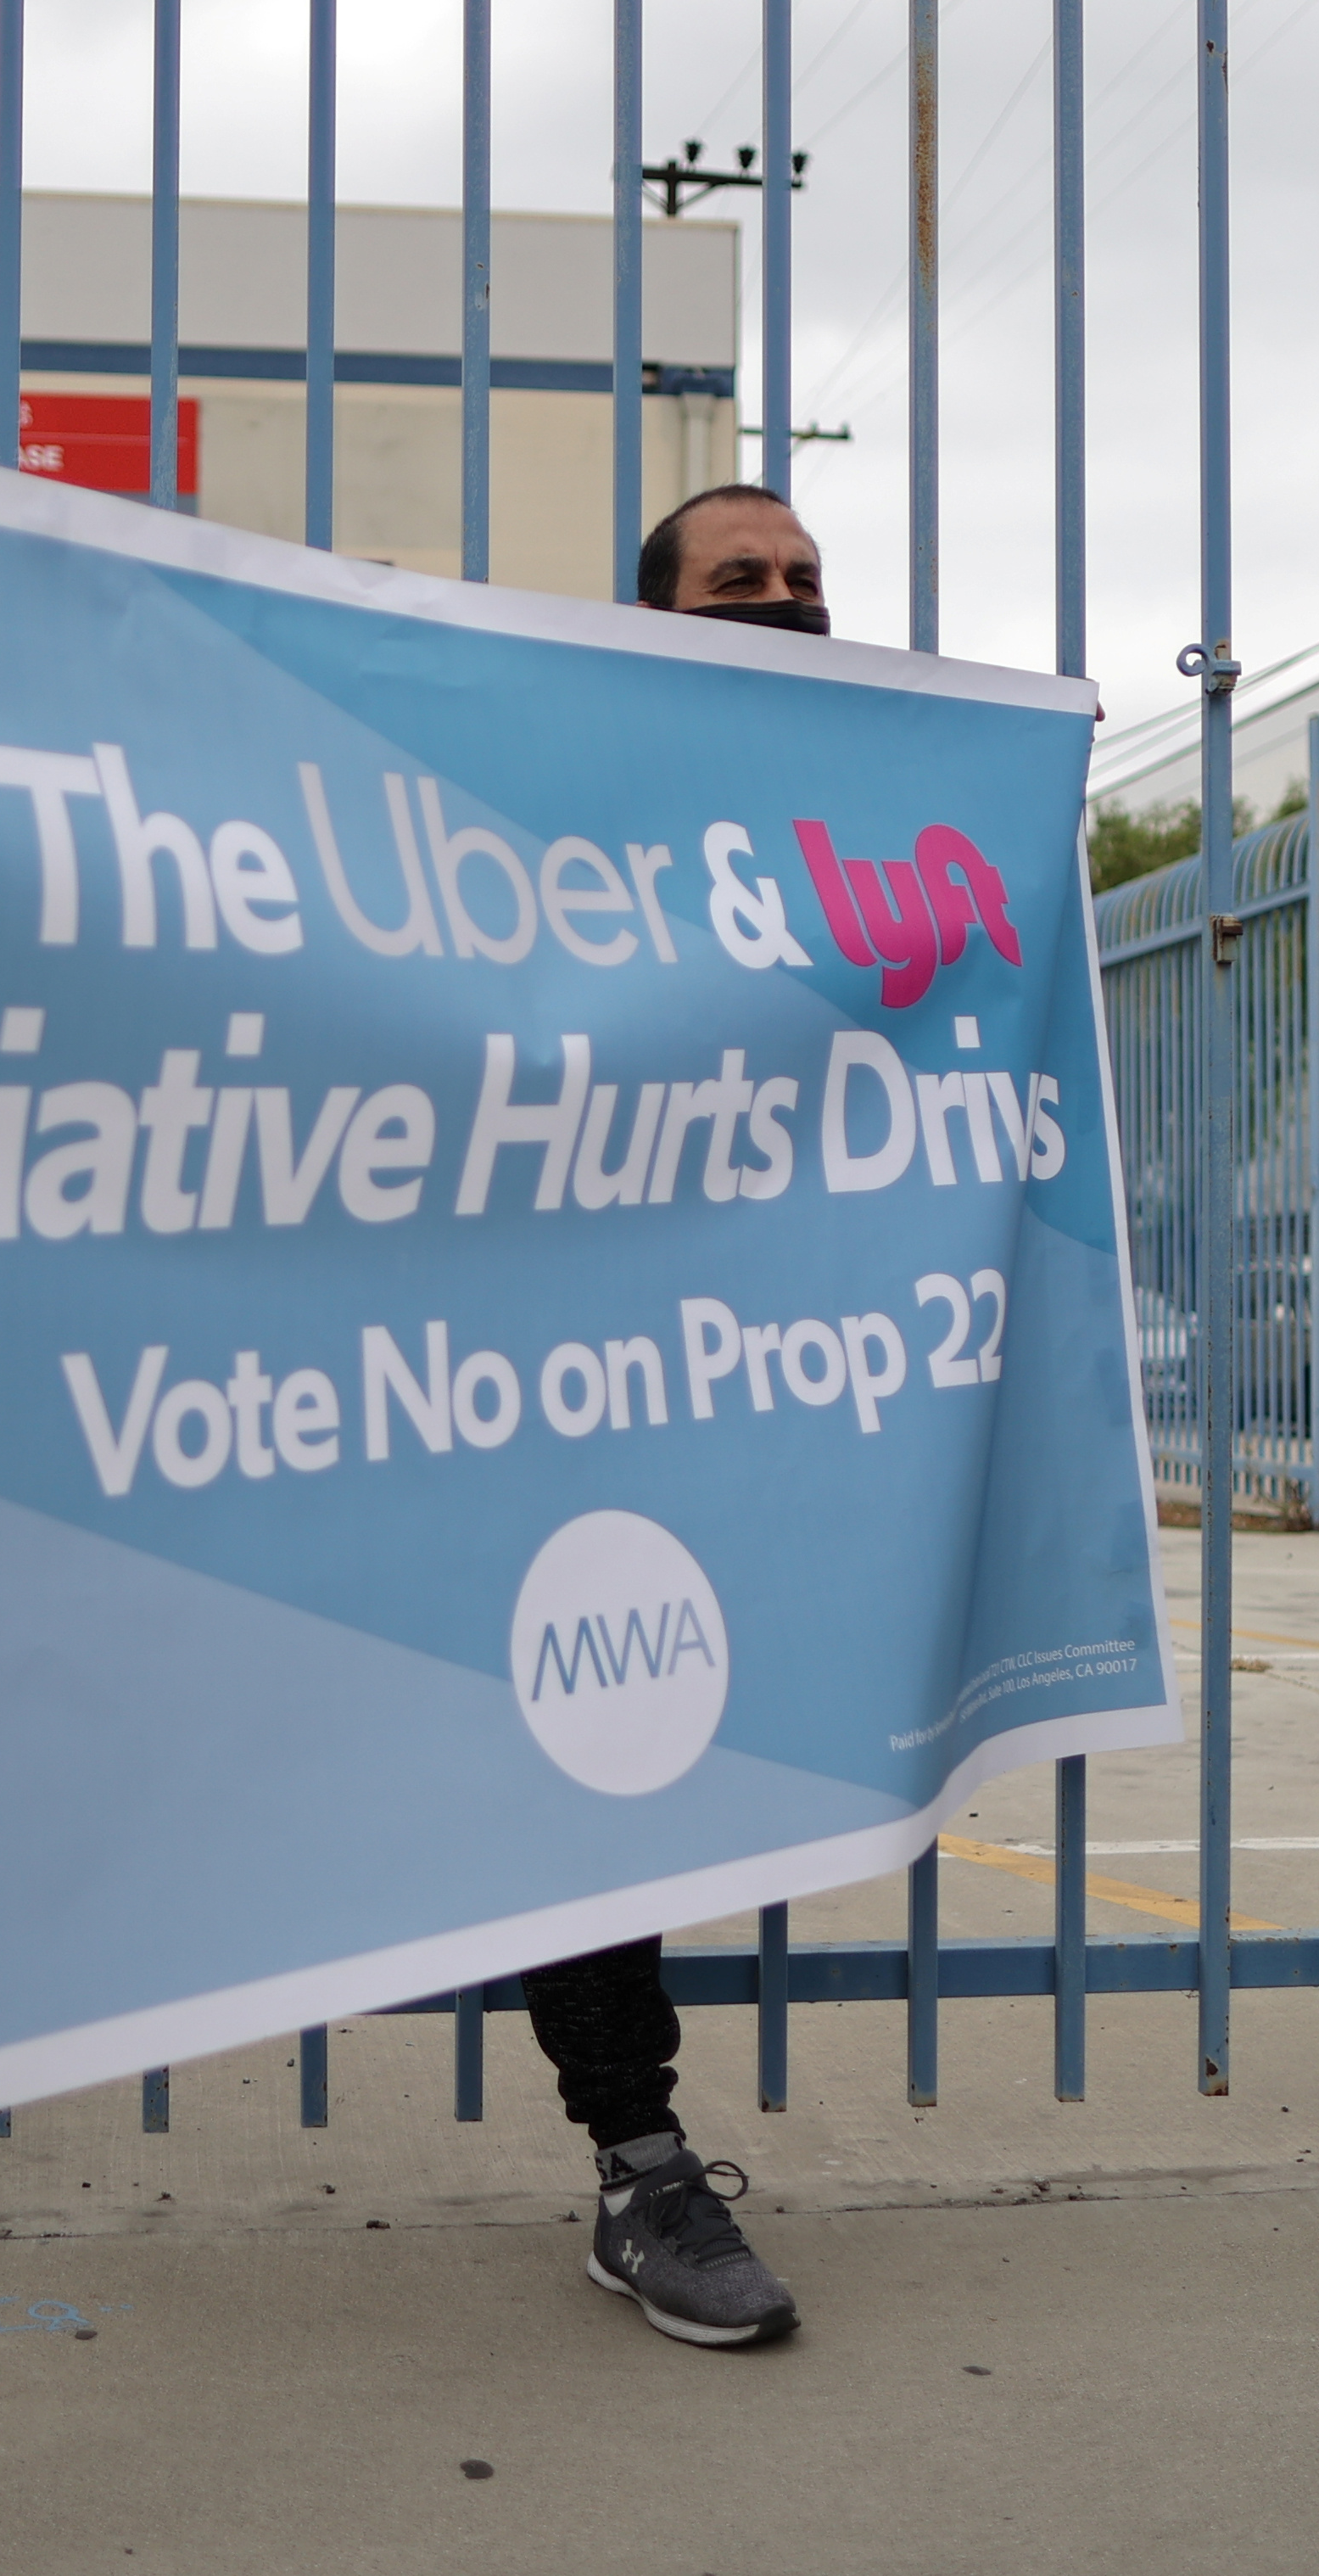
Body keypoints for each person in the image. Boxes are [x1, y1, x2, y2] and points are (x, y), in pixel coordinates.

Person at [484, 483, 836, 2352]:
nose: (778, 604)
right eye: (737, 583)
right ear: (655, 613)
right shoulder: (560, 800)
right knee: (593, 1761)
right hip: (575, 1371)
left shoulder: (864, 809)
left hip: (787, 1374)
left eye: (800, 583)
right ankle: (641, 2160)